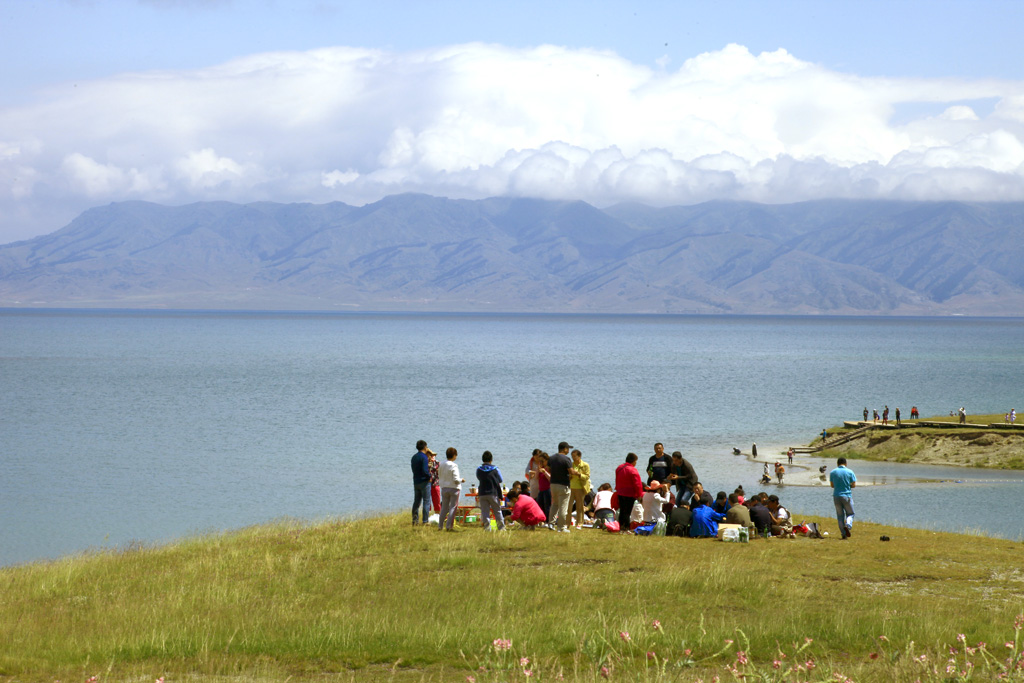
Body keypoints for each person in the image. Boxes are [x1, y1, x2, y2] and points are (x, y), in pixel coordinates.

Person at [476, 450, 505, 531]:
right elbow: (500, 480)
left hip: (482, 493)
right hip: (493, 493)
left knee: (485, 512)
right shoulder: (495, 469)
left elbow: (478, 477)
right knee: (497, 511)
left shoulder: (479, 469)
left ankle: (487, 528)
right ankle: (501, 528)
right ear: (491, 459)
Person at [829, 456, 857, 539]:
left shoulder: (833, 472)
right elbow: (854, 485)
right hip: (847, 495)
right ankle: (848, 525)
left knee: (840, 515)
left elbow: (832, 485)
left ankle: (843, 534)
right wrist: (848, 485)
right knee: (851, 513)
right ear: (846, 463)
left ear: (837, 464)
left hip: (836, 496)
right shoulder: (850, 472)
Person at [614, 453, 644, 532]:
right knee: (627, 512)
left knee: (622, 511)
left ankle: (621, 528)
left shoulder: (619, 468)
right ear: (633, 461)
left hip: (620, 492)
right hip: (630, 493)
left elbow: (617, 479)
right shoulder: (633, 470)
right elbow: (637, 484)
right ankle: (626, 529)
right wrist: (639, 495)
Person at [548, 441, 573, 533]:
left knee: (554, 504)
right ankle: (561, 527)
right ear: (565, 449)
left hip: (553, 484)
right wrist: (577, 474)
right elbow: (571, 471)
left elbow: (549, 469)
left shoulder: (551, 458)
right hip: (563, 485)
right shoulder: (566, 459)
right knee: (563, 507)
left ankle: (551, 523)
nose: (568, 450)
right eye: (568, 449)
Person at [438, 447, 465, 531]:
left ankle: (440, 526)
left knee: (444, 508)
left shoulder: (441, 464)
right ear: (454, 455)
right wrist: (462, 480)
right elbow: (456, 480)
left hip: (444, 488)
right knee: (453, 508)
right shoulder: (454, 465)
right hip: (454, 489)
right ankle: (449, 526)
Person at [569, 448, 592, 528]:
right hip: (571, 487)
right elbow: (568, 476)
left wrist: (578, 474)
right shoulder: (571, 465)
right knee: (569, 506)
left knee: (579, 507)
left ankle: (579, 523)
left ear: (579, 456)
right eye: (572, 456)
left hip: (580, 488)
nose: (573, 458)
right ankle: (567, 523)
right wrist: (570, 475)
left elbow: (587, 476)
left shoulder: (585, 465)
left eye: (575, 456)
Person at [411, 439, 432, 526]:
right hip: (424, 481)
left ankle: (415, 520)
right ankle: (425, 521)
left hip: (416, 481)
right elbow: (425, 470)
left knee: (416, 502)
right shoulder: (424, 457)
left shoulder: (414, 457)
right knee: (426, 501)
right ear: (425, 447)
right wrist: (429, 477)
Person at [533, 452, 551, 523]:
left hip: (548, 489)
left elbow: (550, 479)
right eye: (539, 461)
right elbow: (536, 477)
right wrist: (538, 468)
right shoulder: (541, 468)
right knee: (539, 505)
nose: (541, 462)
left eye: (542, 461)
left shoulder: (549, 468)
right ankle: (541, 520)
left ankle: (548, 521)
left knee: (547, 506)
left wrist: (544, 472)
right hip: (541, 489)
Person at [427, 448, 441, 514]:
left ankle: (437, 515)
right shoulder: (425, 463)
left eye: (433, 455)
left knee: (437, 501)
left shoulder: (438, 463)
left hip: (436, 483)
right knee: (427, 502)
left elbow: (440, 473)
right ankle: (427, 516)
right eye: (431, 455)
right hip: (427, 484)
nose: (432, 457)